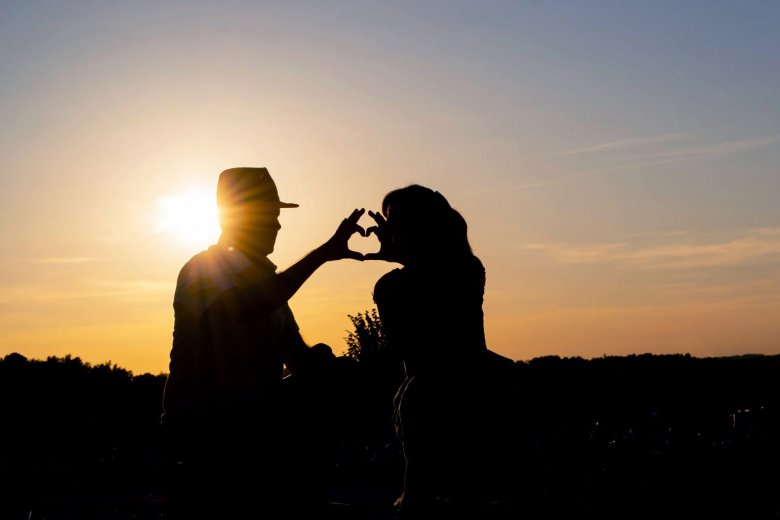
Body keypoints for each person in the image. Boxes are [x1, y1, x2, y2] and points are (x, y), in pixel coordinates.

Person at [160, 166, 366, 519]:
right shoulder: (204, 268)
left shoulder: (270, 288)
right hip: (207, 430)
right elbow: (245, 308)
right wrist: (323, 253)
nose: (278, 225)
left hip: (254, 423)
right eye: (270, 215)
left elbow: (296, 356)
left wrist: (325, 364)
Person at [365, 185, 519, 519]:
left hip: (434, 400)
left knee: (423, 502)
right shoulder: (469, 268)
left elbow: (405, 346)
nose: (386, 229)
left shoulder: (395, 285)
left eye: (394, 221)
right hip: (480, 389)